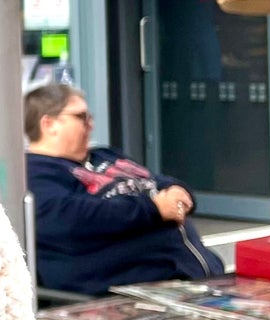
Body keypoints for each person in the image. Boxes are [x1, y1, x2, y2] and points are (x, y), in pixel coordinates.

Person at [24, 82, 224, 296]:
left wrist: (176, 191)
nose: (91, 124)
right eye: (81, 117)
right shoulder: (36, 171)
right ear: (49, 124)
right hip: (131, 293)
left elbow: (156, 180)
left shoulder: (105, 155)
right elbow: (68, 219)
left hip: (195, 278)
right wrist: (154, 209)